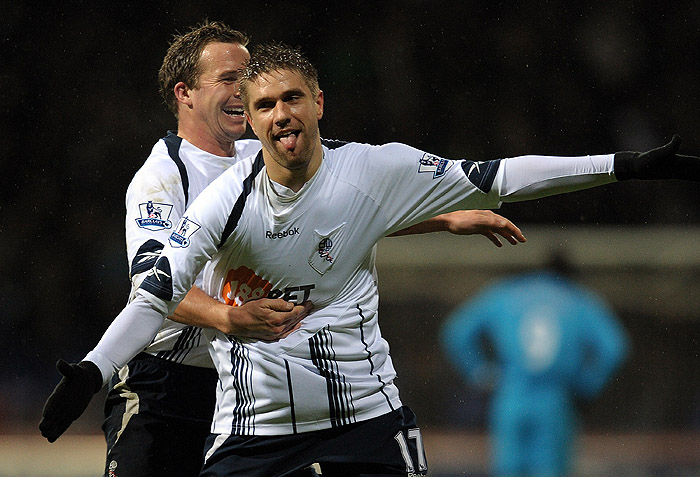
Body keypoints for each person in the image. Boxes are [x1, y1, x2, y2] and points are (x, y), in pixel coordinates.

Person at [39, 41, 700, 476]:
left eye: (289, 97)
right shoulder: (215, 202)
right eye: (263, 104)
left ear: (318, 102)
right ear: (253, 120)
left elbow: (500, 174)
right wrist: (94, 370)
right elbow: (152, 293)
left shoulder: (375, 169)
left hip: (364, 421)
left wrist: (626, 166)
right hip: (250, 430)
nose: (276, 113)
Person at [441, 250, 629, 476]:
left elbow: (456, 332)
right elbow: (614, 347)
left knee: (508, 468)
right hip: (554, 399)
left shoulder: (506, 293)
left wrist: (480, 373)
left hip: (511, 395)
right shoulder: (577, 299)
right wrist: (586, 385)